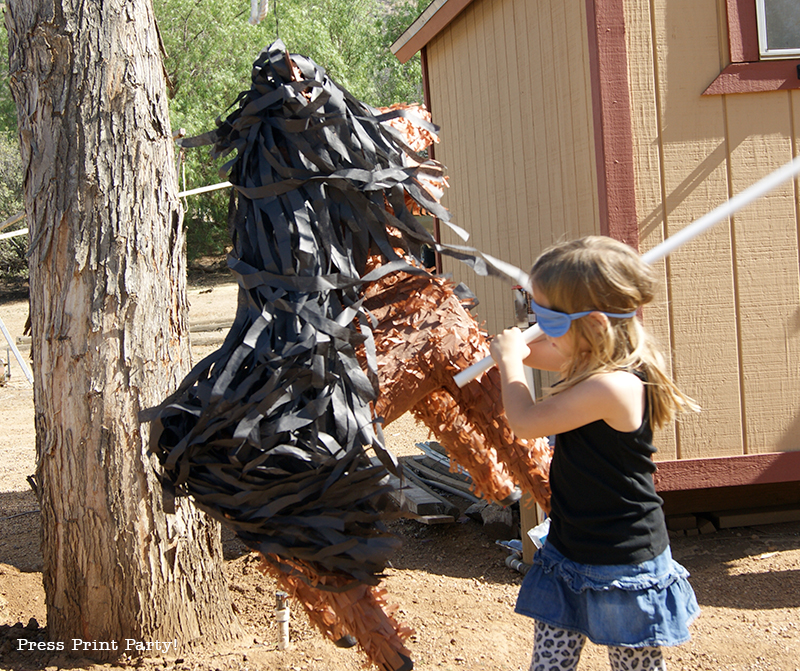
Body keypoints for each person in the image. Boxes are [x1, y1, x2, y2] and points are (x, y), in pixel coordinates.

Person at [489, 236, 700, 671]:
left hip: (622, 560)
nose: (538, 326)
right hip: (570, 546)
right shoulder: (592, 358)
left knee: (634, 666)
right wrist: (514, 348)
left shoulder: (614, 384)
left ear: (596, 324)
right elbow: (547, 352)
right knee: (549, 664)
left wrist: (510, 363)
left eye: (546, 317)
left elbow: (526, 421)